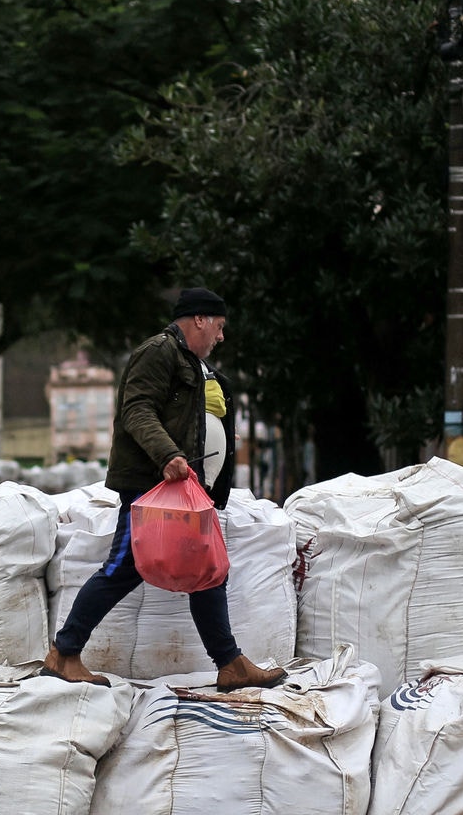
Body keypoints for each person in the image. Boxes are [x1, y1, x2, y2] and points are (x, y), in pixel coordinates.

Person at [43, 288, 287, 690]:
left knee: (207, 569)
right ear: (199, 320)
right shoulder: (159, 351)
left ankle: (229, 664)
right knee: (123, 567)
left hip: (182, 491)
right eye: (219, 327)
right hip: (150, 487)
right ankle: (64, 653)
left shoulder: (192, 362)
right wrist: (168, 455)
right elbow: (137, 409)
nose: (221, 337)